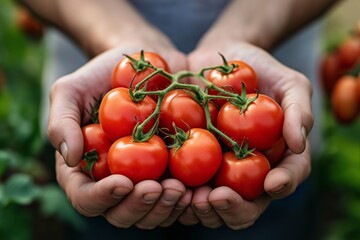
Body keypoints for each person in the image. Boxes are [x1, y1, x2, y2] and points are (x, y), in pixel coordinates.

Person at [21, 0, 337, 239]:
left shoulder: (150, 116)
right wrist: (115, 35)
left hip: (267, 167)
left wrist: (250, 31)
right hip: (100, 148)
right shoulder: (112, 131)